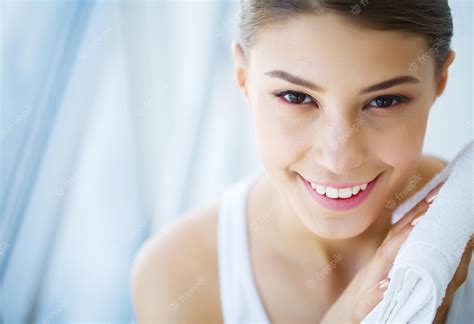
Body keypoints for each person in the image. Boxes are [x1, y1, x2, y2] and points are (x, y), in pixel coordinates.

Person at [131, 1, 472, 323]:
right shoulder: (176, 274)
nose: (339, 158)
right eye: (297, 97)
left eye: (384, 100)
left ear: (439, 81)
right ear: (243, 78)